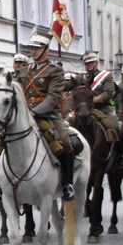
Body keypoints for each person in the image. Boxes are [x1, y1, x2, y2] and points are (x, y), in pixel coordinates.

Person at [21, 28, 77, 200]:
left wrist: (33, 112)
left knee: (65, 142)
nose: (33, 51)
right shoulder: (23, 70)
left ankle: (67, 184)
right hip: (23, 114)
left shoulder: (55, 71)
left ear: (46, 49)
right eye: (32, 48)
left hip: (47, 115)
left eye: (37, 48)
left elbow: (53, 98)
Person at [81, 51, 118, 135]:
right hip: (84, 111)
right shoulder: (81, 78)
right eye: (87, 63)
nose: (89, 65)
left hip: (103, 109)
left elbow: (108, 93)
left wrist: (91, 100)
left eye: (91, 62)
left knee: (115, 128)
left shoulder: (106, 76)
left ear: (96, 63)